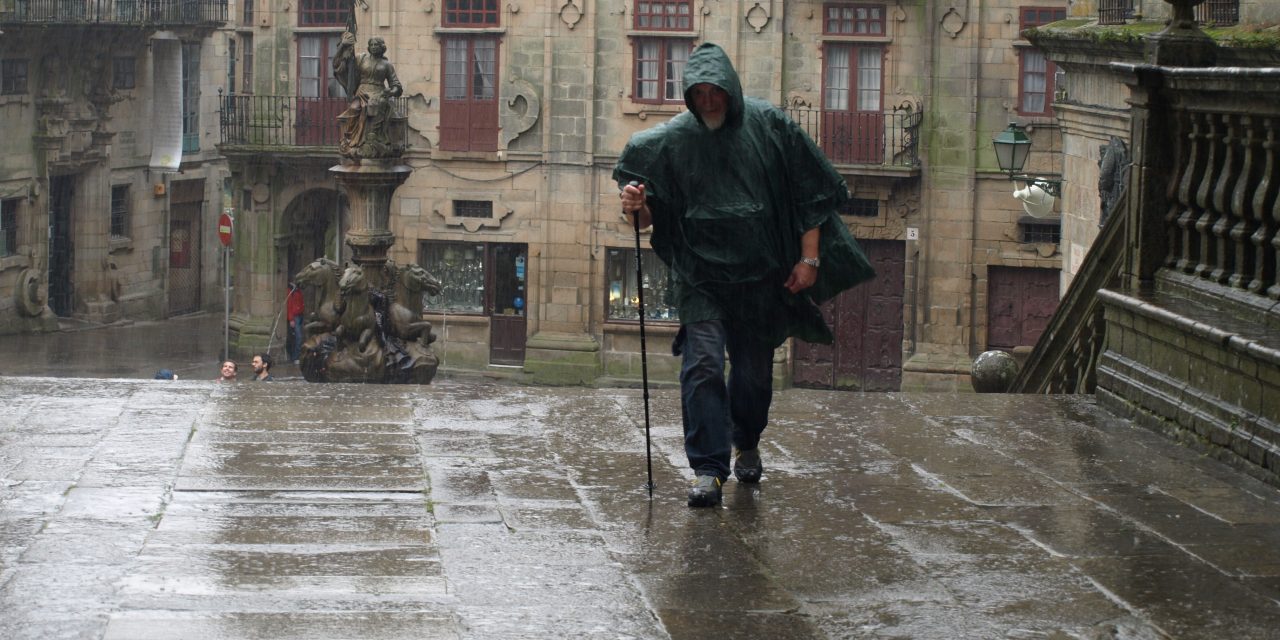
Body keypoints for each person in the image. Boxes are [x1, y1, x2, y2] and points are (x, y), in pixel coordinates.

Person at [615, 43, 874, 508]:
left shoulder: (769, 125)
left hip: (761, 277)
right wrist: (635, 206)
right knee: (703, 365)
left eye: (717, 91)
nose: (709, 100)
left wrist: (809, 259)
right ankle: (708, 470)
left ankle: (747, 441)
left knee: (753, 376)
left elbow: (811, 193)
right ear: (688, 96)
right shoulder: (672, 141)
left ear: (731, 90)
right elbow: (645, 220)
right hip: (701, 277)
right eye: (700, 93)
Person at [332, 33, 403, 158]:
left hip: (379, 92)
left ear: (382, 47)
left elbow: (396, 84)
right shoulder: (361, 59)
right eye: (372, 45)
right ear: (369, 47)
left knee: (376, 105)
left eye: (377, 45)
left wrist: (390, 92)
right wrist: (343, 46)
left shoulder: (387, 65)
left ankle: (373, 135)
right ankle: (350, 140)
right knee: (354, 108)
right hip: (362, 91)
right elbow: (343, 66)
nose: (374, 47)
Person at [286, 281, 305, 364]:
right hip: (295, 317)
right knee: (298, 337)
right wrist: (291, 319)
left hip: (300, 315)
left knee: (298, 337)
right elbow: (289, 305)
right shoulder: (290, 291)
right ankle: (295, 357)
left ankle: (297, 356)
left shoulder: (298, 290)